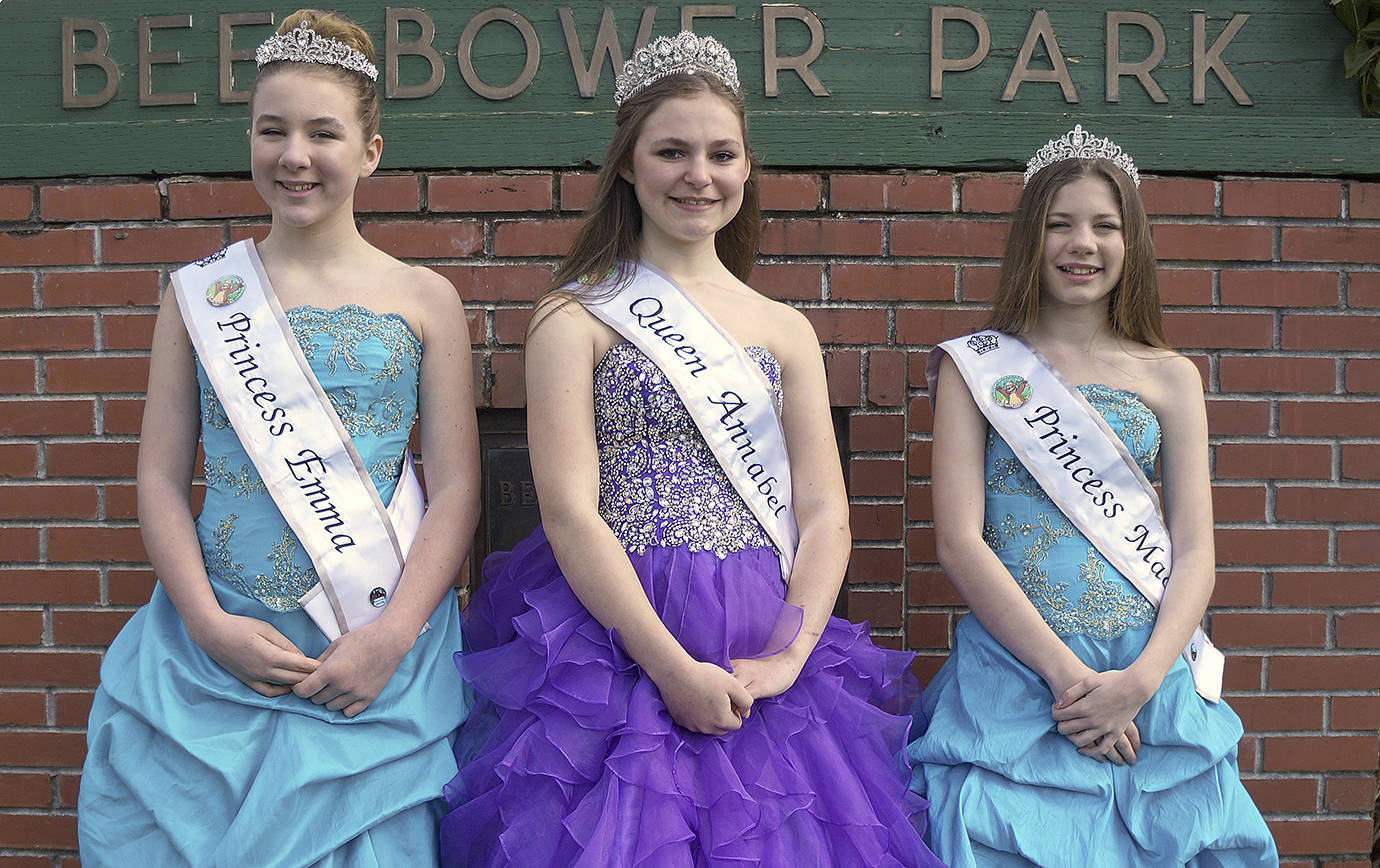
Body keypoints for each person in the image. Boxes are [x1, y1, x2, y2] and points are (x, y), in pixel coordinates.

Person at [438, 32, 943, 867]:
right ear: (629, 166)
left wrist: (787, 658)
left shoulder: (786, 331)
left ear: (746, 169)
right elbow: (569, 512)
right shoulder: (577, 316)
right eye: (671, 151)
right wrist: (669, 666)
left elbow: (825, 515)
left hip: (760, 632)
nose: (697, 175)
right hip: (616, 636)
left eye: (720, 153)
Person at [78, 10, 479, 866]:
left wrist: (390, 638)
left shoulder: (426, 299)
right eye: (273, 131)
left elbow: (456, 489)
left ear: (371, 150)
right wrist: (207, 622)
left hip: (374, 649)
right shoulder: (200, 298)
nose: (295, 156)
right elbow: (158, 478)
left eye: (322, 133)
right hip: (217, 647)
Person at [907, 126, 1278, 866]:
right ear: (1030, 237)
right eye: (1060, 223)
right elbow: (960, 541)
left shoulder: (1172, 377)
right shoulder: (977, 368)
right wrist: (1071, 680)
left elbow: (1196, 550)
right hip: (1016, 673)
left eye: (1105, 225)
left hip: (1149, 672)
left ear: (1130, 241)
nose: (1083, 243)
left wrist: (1137, 684)